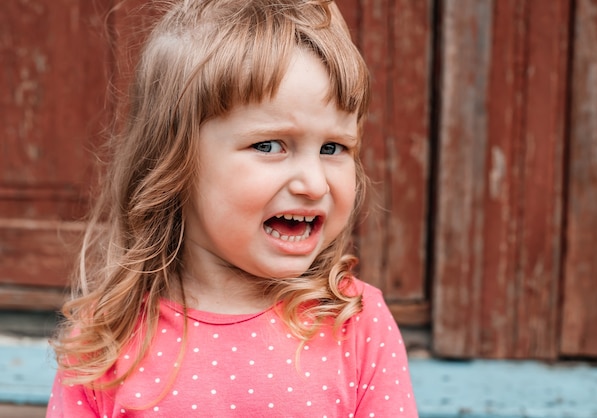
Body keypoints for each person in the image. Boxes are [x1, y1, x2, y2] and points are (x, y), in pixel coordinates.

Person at [46, 0, 418, 416]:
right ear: (174, 161)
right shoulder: (109, 337)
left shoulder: (356, 324)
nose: (313, 184)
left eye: (334, 147)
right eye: (269, 145)